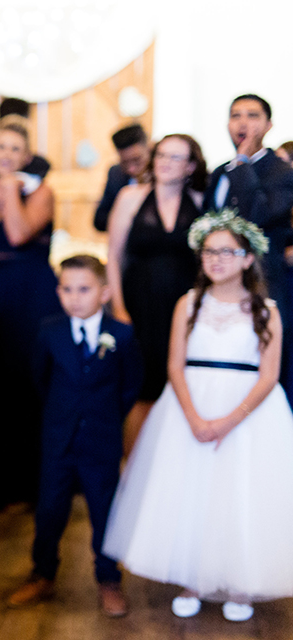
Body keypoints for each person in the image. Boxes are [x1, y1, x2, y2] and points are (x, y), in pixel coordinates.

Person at [103, 210, 293, 622]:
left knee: (241, 495)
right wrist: (194, 417)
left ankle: (241, 581)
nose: (216, 259)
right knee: (190, 492)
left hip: (247, 413)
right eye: (210, 251)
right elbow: (174, 365)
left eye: (227, 252)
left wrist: (228, 421)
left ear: (247, 258)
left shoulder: (267, 310)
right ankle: (194, 577)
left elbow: (269, 375)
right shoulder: (187, 304)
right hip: (189, 406)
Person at [6, 255, 141, 617]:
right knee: (50, 510)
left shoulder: (122, 334)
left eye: (84, 289)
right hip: (58, 441)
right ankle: (42, 573)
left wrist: (104, 420)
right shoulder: (50, 331)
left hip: (102, 441)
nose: (75, 297)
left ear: (105, 292)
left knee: (104, 511)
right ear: (58, 292)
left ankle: (108, 579)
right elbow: (41, 380)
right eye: (67, 289)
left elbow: (130, 388)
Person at [0, 115, 62, 510]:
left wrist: (9, 189)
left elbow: (18, 235)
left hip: (32, 295)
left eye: (14, 149)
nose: (6, 155)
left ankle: (29, 489)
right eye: (0, 147)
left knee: (27, 388)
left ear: (27, 156)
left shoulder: (39, 192)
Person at [107, 134, 207, 449]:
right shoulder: (130, 197)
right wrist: (119, 309)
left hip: (185, 308)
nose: (165, 162)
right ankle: (133, 467)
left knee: (182, 385)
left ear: (191, 165)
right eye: (161, 154)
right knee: (142, 388)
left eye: (175, 157)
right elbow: (113, 257)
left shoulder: (202, 202)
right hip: (139, 305)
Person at [204, 95, 293, 398]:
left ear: (268, 125)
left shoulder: (283, 172)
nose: (243, 123)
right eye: (235, 115)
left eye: (252, 115)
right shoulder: (219, 172)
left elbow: (259, 215)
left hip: (266, 282)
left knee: (267, 363)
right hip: (219, 284)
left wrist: (242, 161)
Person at [93, 124, 151, 232]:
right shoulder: (116, 174)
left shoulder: (162, 177)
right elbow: (99, 221)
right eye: (124, 162)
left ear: (149, 148)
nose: (131, 169)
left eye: (137, 160)